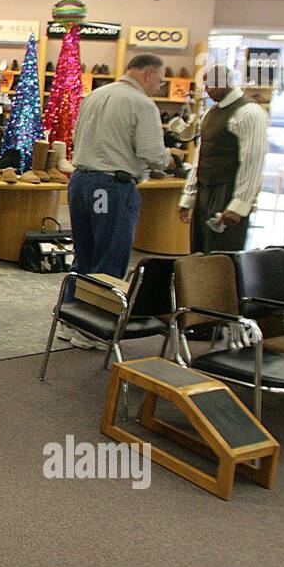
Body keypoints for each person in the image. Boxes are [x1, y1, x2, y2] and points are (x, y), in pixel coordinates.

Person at [62, 54, 175, 349]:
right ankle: (92, 329)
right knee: (109, 256)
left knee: (85, 254)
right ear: (149, 73)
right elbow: (152, 154)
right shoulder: (141, 103)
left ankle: (70, 317)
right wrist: (169, 159)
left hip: (81, 182)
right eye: (160, 80)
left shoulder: (95, 95)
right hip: (110, 187)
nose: (159, 86)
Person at [178, 65, 268, 252]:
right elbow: (201, 158)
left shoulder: (249, 112)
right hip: (205, 189)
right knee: (199, 251)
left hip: (228, 189)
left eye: (211, 85)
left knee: (222, 256)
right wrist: (189, 197)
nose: (207, 90)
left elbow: (253, 162)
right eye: (206, 85)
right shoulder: (211, 114)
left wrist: (240, 204)